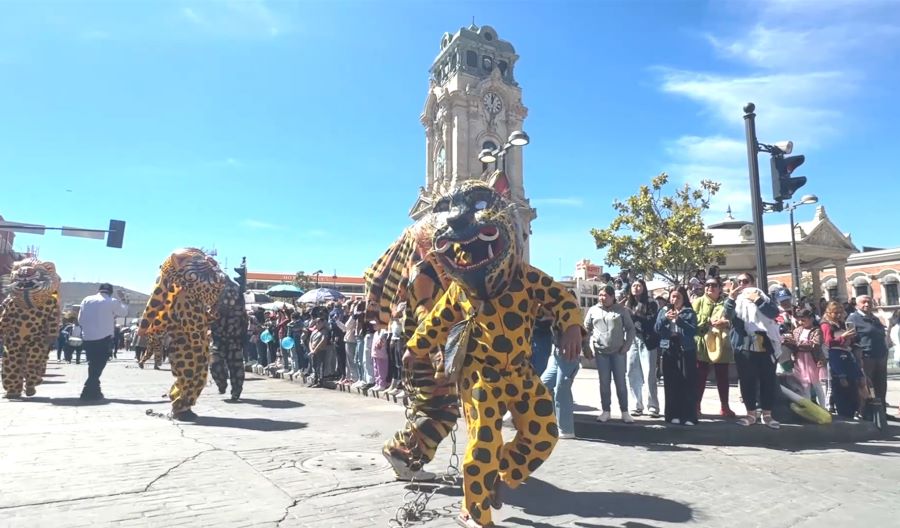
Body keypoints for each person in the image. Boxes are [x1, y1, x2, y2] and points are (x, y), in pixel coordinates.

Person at [724, 273, 782, 428]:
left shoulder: (763, 297)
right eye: (739, 281)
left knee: (767, 379)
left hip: (765, 341)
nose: (743, 284)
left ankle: (767, 414)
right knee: (747, 379)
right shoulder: (735, 299)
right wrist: (730, 298)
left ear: (753, 282)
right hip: (745, 343)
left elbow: (774, 313)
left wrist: (758, 300)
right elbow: (727, 315)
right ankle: (750, 413)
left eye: (746, 281)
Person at [584, 284, 635, 423]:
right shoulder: (593, 310)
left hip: (618, 352)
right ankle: (606, 411)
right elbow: (586, 330)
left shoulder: (621, 311)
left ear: (612, 297)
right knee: (604, 383)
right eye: (600, 295)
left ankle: (625, 411)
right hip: (601, 352)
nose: (602, 298)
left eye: (605, 295)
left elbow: (631, 329)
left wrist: (626, 346)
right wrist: (586, 348)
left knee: (620, 382)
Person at [655, 286, 698, 425]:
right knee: (671, 382)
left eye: (678, 297)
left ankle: (689, 416)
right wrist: (665, 319)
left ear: (683, 298)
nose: (675, 299)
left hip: (686, 347)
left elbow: (693, 331)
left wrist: (679, 320)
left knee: (687, 381)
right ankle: (673, 414)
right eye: (673, 296)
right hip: (670, 346)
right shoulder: (663, 311)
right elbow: (657, 329)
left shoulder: (689, 312)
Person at [693, 277, 735, 417]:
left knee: (722, 376)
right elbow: (693, 319)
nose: (710, 287)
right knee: (699, 376)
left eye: (714, 285)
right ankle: (696, 405)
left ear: (719, 288)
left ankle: (725, 407)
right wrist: (708, 321)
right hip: (702, 343)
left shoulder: (725, 303)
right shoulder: (698, 301)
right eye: (707, 285)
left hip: (720, 343)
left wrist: (725, 322)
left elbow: (732, 318)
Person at [78, 283, 128, 400]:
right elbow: (124, 313)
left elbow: (80, 319)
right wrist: (124, 301)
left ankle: (94, 391)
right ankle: (87, 390)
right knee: (98, 365)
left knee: (93, 364)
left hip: (88, 338)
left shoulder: (86, 300)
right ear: (110, 292)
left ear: (99, 290)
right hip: (103, 338)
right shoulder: (112, 301)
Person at [624, 279, 660, 418]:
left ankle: (653, 406)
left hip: (648, 340)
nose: (636, 288)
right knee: (632, 372)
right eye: (633, 285)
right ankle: (636, 404)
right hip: (632, 339)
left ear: (644, 288)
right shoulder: (628, 303)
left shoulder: (651, 302)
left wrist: (634, 315)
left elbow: (652, 321)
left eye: (639, 285)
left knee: (649, 373)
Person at [846, 295, 889, 407]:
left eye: (869, 302)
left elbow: (881, 334)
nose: (867, 304)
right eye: (863, 302)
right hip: (866, 357)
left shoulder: (874, 318)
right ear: (857, 304)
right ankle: (870, 411)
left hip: (880, 355)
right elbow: (850, 340)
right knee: (868, 386)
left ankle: (882, 411)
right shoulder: (852, 319)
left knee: (881, 384)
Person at [821, 301, 862, 418]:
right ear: (829, 313)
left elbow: (851, 341)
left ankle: (853, 409)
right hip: (834, 357)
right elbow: (828, 342)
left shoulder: (842, 324)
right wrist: (842, 337)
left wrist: (851, 338)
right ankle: (842, 411)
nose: (839, 315)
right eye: (835, 313)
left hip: (847, 354)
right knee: (839, 384)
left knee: (853, 384)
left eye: (841, 312)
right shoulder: (826, 325)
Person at [540, 322, 581, 438]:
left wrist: (585, 346)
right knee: (543, 386)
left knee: (561, 389)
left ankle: (566, 429)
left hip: (569, 351)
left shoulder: (568, 311)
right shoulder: (552, 311)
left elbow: (581, 329)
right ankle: (550, 422)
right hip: (557, 351)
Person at [782, 309, 826, 406]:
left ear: (811, 319)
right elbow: (793, 342)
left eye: (804, 320)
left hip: (812, 359)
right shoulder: (797, 330)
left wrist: (797, 344)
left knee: (816, 384)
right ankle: (808, 405)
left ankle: (823, 406)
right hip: (799, 360)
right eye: (800, 320)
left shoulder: (816, 330)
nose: (801, 322)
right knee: (804, 385)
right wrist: (788, 341)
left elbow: (815, 344)